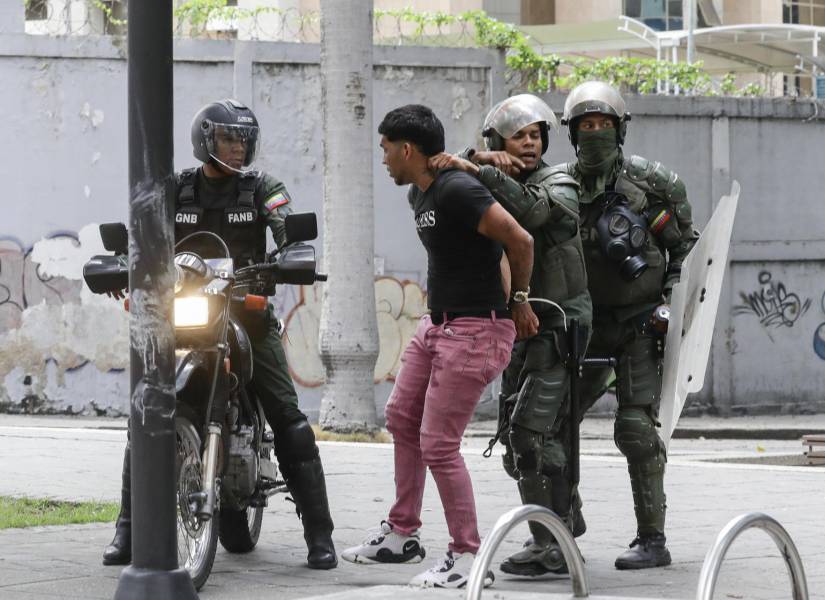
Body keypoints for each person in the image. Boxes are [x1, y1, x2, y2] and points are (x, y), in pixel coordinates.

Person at [102, 99, 337, 570]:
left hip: (246, 315)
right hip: (185, 314)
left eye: (243, 141)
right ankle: (127, 529)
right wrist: (122, 267)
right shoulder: (176, 190)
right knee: (145, 411)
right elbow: (142, 237)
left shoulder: (261, 188)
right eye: (229, 139)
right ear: (205, 141)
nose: (237, 148)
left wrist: (293, 255)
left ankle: (319, 533)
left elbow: (285, 227)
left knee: (288, 417)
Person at [341, 104, 534, 588]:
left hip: (475, 330)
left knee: (439, 445)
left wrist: (520, 303)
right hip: (438, 327)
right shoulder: (421, 193)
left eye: (385, 149)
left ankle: (469, 556)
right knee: (401, 418)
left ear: (407, 149)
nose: (382, 158)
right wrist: (473, 156)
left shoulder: (456, 190)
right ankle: (402, 532)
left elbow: (520, 240)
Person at [428, 93, 592, 576]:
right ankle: (558, 527)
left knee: (532, 435)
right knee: (517, 443)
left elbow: (537, 215)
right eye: (518, 135)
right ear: (498, 140)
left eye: (536, 134)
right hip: (518, 327)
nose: (529, 143)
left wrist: (485, 170)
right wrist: (476, 158)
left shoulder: (557, 182)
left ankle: (555, 542)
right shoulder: (486, 177)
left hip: (560, 328)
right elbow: (439, 180)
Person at [555, 81, 700, 570]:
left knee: (636, 429)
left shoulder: (651, 186)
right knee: (551, 426)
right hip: (582, 326)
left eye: (604, 125)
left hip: (639, 324)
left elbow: (686, 250)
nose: (595, 134)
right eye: (586, 126)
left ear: (620, 129)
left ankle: (652, 539)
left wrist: (671, 307)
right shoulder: (559, 187)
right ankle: (559, 522)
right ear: (572, 133)